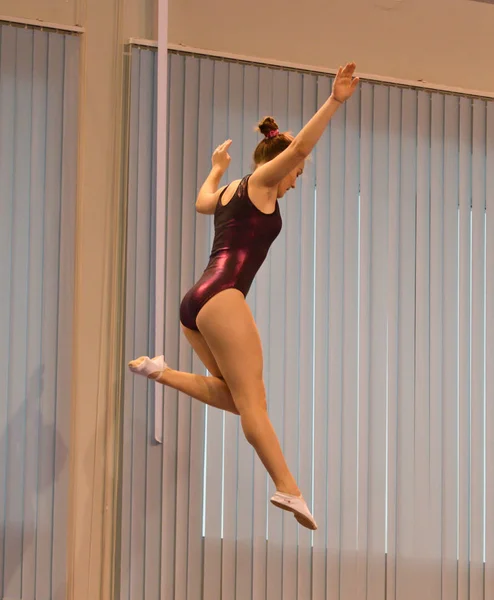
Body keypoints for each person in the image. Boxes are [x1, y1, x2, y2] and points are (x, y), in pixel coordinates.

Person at [129, 62, 360, 530]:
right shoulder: (259, 184)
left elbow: (201, 202)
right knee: (255, 405)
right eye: (298, 175)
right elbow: (300, 146)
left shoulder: (233, 187)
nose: (297, 181)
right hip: (224, 296)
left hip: (196, 303)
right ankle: (289, 488)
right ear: (285, 168)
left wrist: (216, 170)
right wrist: (335, 100)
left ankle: (161, 371)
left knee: (236, 399)